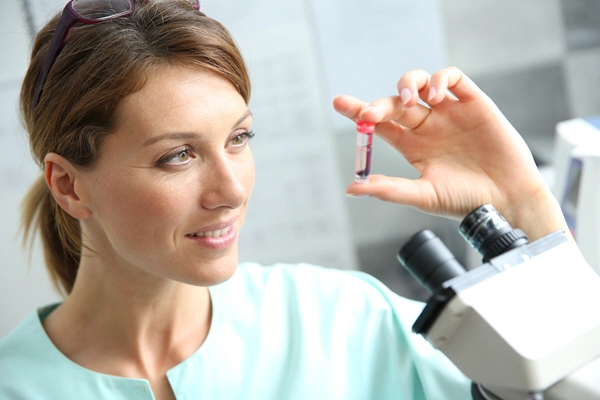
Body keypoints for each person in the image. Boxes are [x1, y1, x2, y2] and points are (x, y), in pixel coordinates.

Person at [0, 0, 570, 399]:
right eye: (178, 156)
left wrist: (522, 204)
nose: (232, 190)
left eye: (238, 139)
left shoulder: (345, 321)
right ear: (69, 184)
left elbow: (566, 380)